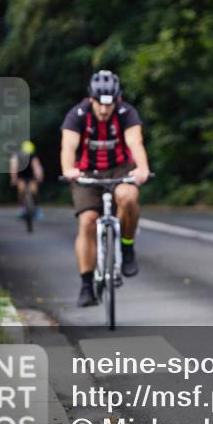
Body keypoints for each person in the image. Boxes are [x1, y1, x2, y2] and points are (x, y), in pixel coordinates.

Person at [60, 70, 151, 307]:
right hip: (86, 171)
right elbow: (68, 146)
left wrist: (142, 168)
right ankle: (86, 285)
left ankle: (127, 246)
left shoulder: (126, 113)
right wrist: (69, 169)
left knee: (128, 197)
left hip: (119, 168)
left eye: (109, 105)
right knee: (88, 220)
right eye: (100, 104)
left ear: (117, 100)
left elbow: (135, 142)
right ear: (91, 99)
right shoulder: (77, 115)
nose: (104, 110)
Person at [9, 140, 44, 218]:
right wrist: (14, 178)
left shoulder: (33, 156)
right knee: (21, 190)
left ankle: (37, 209)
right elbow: (13, 169)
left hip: (31, 173)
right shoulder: (16, 156)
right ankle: (21, 208)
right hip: (21, 174)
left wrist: (39, 176)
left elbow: (37, 167)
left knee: (34, 190)